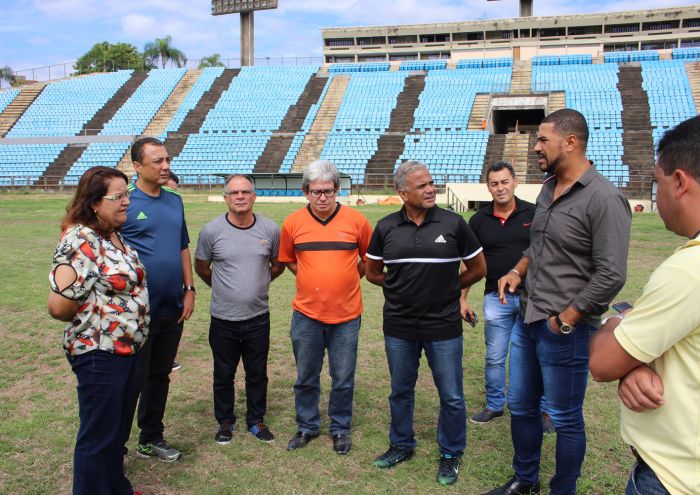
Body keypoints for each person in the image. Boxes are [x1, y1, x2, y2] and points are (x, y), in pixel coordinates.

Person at [484, 109, 632, 495]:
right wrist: (517, 270)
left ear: (571, 142)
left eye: (542, 139)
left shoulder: (604, 198)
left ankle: (562, 489)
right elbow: (538, 247)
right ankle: (525, 480)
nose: (535, 147)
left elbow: (612, 274)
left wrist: (567, 317)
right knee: (521, 406)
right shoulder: (548, 188)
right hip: (527, 318)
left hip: (564, 329)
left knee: (565, 418)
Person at [589, 115, 700, 495]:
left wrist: (617, 325)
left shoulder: (689, 271)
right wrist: (634, 361)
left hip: (675, 477)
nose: (657, 193)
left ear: (680, 182)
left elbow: (604, 361)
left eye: (658, 182)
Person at [366, 160, 487, 486]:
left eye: (432, 183)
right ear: (403, 192)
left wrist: (453, 289)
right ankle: (401, 445)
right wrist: (395, 288)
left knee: (451, 395)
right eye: (422, 185)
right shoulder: (386, 227)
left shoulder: (454, 223)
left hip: (443, 325)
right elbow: (373, 272)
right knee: (400, 391)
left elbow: (478, 268)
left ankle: (451, 453)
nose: (431, 188)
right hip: (399, 325)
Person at [48, 166, 149, 495]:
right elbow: (59, 307)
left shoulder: (113, 232)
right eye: (117, 196)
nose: (126, 202)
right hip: (99, 353)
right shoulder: (80, 239)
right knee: (98, 435)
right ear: (94, 203)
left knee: (116, 431)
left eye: (127, 194)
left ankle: (116, 487)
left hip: (127, 350)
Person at [278, 160, 373, 455]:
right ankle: (307, 425)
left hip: (346, 315)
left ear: (337, 190)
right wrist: (311, 277)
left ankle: (340, 428)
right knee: (306, 375)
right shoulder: (293, 223)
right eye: (316, 191)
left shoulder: (357, 221)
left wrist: (345, 279)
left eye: (328, 191)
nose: (322, 197)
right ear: (306, 191)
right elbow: (290, 259)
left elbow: (369, 259)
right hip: (306, 315)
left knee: (342, 377)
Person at [462, 161, 553, 432]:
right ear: (487, 187)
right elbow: (468, 263)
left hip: (533, 298)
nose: (500, 188)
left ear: (515, 182)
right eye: (494, 183)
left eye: (504, 182)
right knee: (495, 356)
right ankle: (494, 405)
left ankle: (545, 411)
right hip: (495, 298)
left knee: (540, 355)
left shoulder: (535, 213)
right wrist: (462, 298)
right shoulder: (478, 220)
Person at [195, 174, 284, 446]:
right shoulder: (211, 231)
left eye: (246, 191)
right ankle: (225, 421)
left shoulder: (270, 229)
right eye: (234, 192)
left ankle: (256, 420)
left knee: (257, 373)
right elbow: (202, 267)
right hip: (223, 319)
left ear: (254, 196)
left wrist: (256, 284)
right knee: (223, 373)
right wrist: (225, 288)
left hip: (258, 318)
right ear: (226, 198)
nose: (240, 196)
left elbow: (277, 264)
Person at [121, 137, 195, 463]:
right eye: (157, 161)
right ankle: (115, 446)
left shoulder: (174, 200)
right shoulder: (124, 203)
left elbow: (182, 247)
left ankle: (151, 438)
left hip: (172, 305)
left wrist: (189, 289)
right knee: (130, 379)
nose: (165, 166)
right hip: (135, 311)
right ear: (137, 166)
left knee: (159, 375)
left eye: (167, 159)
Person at [165, 170, 182, 372]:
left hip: (171, 287)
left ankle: (168, 359)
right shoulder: (131, 202)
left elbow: (182, 247)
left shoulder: (176, 206)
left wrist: (188, 288)